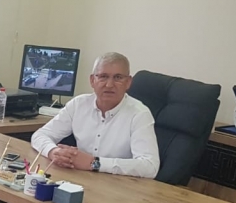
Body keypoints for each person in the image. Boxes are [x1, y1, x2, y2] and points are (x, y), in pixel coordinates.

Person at [31, 52, 160, 178]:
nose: (109, 85)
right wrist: (53, 152)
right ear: (92, 80)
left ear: (128, 82)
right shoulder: (78, 104)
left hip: (118, 185)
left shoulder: (139, 114)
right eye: (103, 76)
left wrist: (94, 163)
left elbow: (150, 166)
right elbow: (40, 135)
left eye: (118, 78)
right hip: (81, 178)